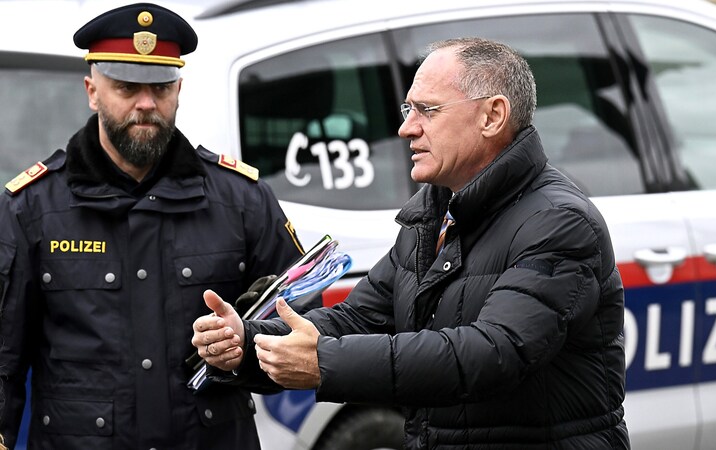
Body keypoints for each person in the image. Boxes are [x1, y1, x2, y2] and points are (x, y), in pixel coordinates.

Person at [193, 37, 630, 449]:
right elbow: (359, 319)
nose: (406, 128)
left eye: (427, 110)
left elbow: (491, 352)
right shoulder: (434, 211)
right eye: (408, 108)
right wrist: (245, 343)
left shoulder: (559, 221)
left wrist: (324, 363)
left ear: (492, 116)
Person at [0, 3, 307, 449]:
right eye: (126, 86)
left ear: (179, 88)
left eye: (160, 87)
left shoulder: (241, 200)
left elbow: (302, 326)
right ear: (92, 90)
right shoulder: (31, 209)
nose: (146, 104)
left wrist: (245, 347)